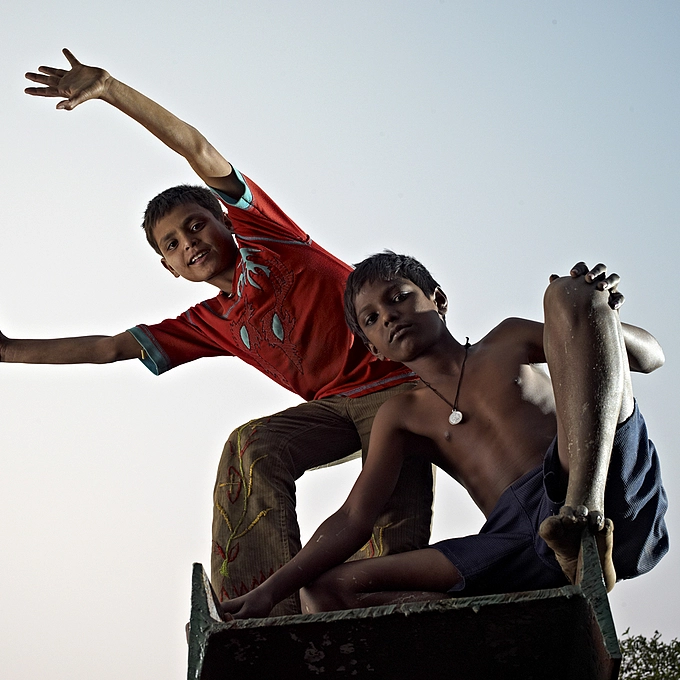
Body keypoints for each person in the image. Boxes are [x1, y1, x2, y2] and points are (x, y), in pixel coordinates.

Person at [6, 50, 435, 616]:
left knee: (381, 546)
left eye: (196, 226)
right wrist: (8, 350)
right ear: (169, 267)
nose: (189, 243)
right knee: (250, 445)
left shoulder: (271, 240)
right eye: (173, 244)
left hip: (397, 391)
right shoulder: (210, 321)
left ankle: (383, 597)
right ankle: (260, 610)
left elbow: (200, 151)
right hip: (332, 409)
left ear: (226, 222)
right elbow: (108, 348)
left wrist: (110, 89)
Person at [219, 254, 668, 619]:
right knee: (326, 592)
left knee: (565, 292)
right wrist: (271, 590)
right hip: (522, 541)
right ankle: (531, 605)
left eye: (399, 297)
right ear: (373, 348)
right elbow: (354, 517)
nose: (389, 316)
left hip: (597, 475)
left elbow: (650, 358)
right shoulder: (402, 415)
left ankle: (584, 522)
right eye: (372, 318)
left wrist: (598, 313)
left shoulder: (508, 340)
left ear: (438, 299)